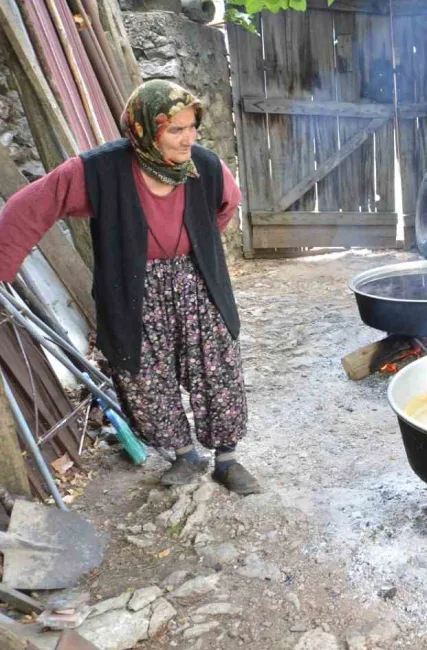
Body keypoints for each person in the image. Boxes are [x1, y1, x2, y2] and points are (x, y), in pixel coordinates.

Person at [0, 80, 260, 495]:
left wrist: (198, 246)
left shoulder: (206, 166)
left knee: (217, 367)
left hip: (197, 279)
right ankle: (184, 454)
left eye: (192, 126)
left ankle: (227, 459)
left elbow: (226, 206)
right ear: (143, 129)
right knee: (144, 375)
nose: (189, 137)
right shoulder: (99, 170)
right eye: (175, 130)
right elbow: (28, 208)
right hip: (133, 287)